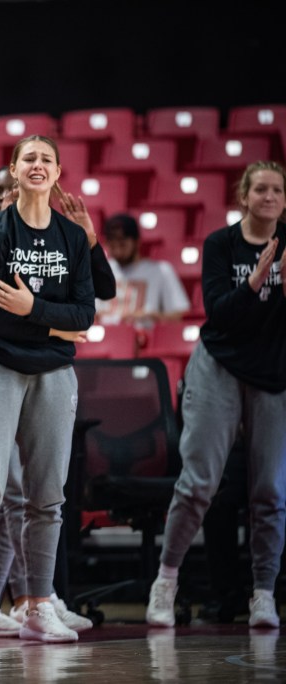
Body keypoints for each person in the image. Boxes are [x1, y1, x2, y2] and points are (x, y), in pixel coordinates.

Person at [0, 135, 95, 645]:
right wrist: (58, 326)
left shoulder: (73, 238)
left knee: (47, 498)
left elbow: (87, 314)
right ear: (14, 170)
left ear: (58, 173)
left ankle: (38, 605)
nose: (37, 165)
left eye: (46, 159)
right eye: (28, 158)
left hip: (54, 374)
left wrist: (34, 310)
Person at [145, 161, 286, 630]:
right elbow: (220, 313)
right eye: (259, 189)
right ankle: (166, 580)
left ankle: (263, 592)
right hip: (218, 364)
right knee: (200, 482)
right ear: (243, 197)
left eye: (277, 190)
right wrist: (256, 280)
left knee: (269, 490)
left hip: (271, 372)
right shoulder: (221, 244)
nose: (268, 197)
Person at [94, 213, 190, 326]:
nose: (118, 250)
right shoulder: (98, 270)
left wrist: (153, 317)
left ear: (137, 242)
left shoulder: (161, 271)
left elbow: (180, 314)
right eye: (112, 244)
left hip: (148, 338)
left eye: (122, 243)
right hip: (108, 339)